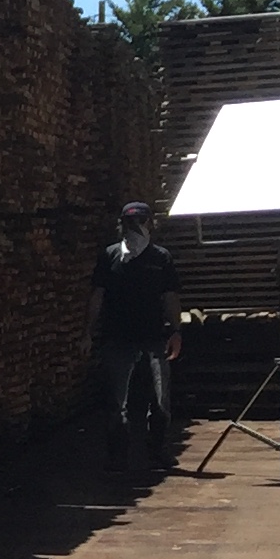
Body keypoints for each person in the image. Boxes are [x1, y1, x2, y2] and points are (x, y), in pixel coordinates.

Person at [88, 197, 183, 466]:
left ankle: (156, 450)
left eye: (140, 222)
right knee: (117, 401)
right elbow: (98, 295)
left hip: (155, 336)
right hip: (117, 336)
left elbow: (170, 296)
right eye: (130, 222)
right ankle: (118, 454)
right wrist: (88, 330)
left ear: (149, 224)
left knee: (161, 398)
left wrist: (176, 330)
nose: (135, 227)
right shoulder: (110, 256)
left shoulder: (160, 258)